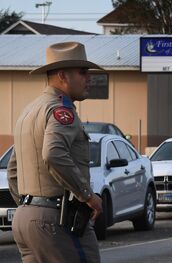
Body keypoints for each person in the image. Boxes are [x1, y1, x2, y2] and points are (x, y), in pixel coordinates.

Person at [7, 42, 104, 263]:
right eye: (83, 72)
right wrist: (87, 195)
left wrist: (30, 206)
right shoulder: (61, 110)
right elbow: (53, 152)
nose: (89, 78)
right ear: (63, 76)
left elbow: (14, 169)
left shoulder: (30, 110)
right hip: (58, 220)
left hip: (25, 220)